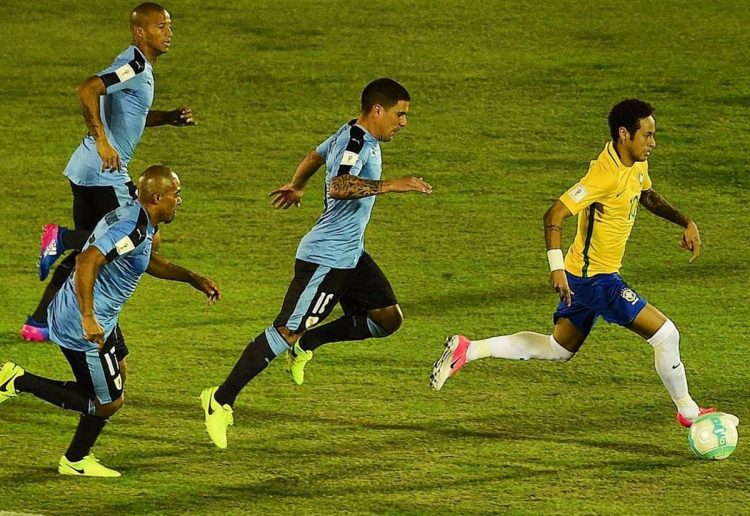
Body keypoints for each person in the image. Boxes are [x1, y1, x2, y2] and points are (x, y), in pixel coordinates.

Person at [430, 99, 729, 428]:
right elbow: (553, 215)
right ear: (624, 134)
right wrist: (555, 267)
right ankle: (689, 412)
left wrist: (685, 221)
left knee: (559, 348)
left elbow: (646, 194)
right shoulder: (604, 175)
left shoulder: (635, 163)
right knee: (666, 335)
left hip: (585, 276)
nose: (653, 143)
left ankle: (469, 349)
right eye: (647, 135)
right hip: (596, 280)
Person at [200, 78, 432, 449]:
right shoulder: (356, 142)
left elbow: (314, 156)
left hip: (351, 254)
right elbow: (339, 186)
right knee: (285, 331)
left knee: (387, 319)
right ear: (377, 110)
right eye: (399, 114)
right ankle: (220, 399)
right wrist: (390, 185)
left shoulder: (349, 132)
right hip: (326, 259)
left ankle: (310, 341)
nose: (403, 123)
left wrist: (297, 185)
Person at [1, 165, 220, 477]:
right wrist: (88, 319)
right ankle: (17, 381)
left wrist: (192, 278)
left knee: (118, 373)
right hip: (85, 323)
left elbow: (144, 259)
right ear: (157, 198)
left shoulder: (138, 218)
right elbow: (86, 259)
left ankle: (77, 457)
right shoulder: (133, 228)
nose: (180, 200)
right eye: (176, 194)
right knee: (109, 402)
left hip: (95, 313)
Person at [21, 2, 195, 362]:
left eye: (169, 26)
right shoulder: (134, 65)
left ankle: (38, 322)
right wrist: (101, 140)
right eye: (161, 26)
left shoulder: (136, 67)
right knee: (145, 235)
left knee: (88, 253)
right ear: (140, 32)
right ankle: (60, 238)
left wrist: (167, 118)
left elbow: (131, 115)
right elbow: (87, 89)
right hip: (105, 171)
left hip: (87, 170)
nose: (169, 33)